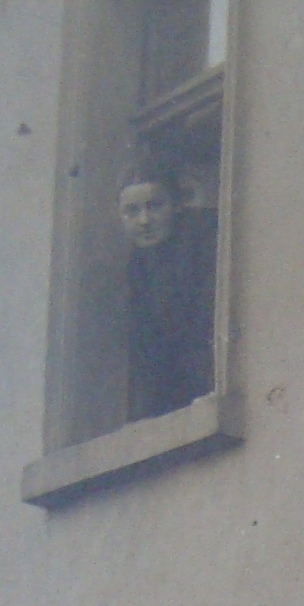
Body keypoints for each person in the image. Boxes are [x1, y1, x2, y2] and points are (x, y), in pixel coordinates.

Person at [117, 158, 217, 420]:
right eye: (132, 211)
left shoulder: (205, 242)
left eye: (155, 206)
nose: (144, 220)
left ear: (177, 206)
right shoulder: (137, 267)